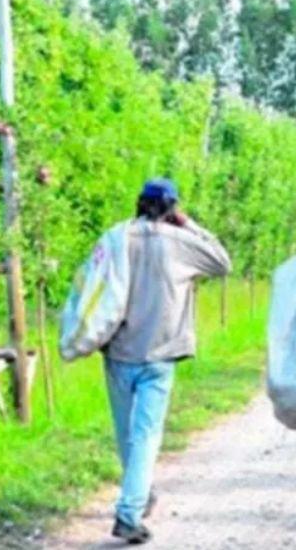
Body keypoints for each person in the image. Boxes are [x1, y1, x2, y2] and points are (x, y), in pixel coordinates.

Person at [105, 178, 232, 544]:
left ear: (139, 203)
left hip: (118, 350)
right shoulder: (181, 243)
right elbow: (223, 262)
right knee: (146, 435)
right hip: (160, 353)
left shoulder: (117, 237)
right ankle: (129, 512)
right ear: (172, 208)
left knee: (127, 435)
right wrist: (189, 224)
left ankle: (138, 493)